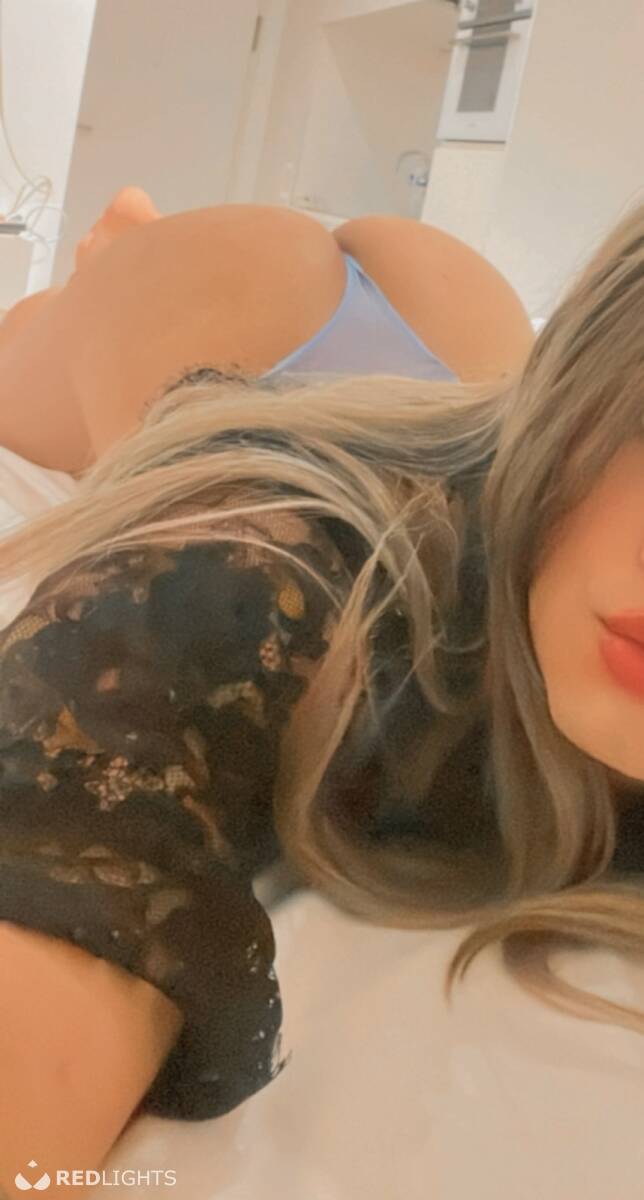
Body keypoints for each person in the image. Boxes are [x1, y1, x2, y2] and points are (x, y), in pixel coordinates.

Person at [1, 199, 643, 1189]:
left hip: (469, 377)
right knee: (36, 358)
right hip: (232, 304)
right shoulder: (255, 565)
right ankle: (113, 253)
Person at [0, 187, 534, 475]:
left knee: (30, 324)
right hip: (450, 296)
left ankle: (125, 257)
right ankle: (130, 253)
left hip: (189, 294)